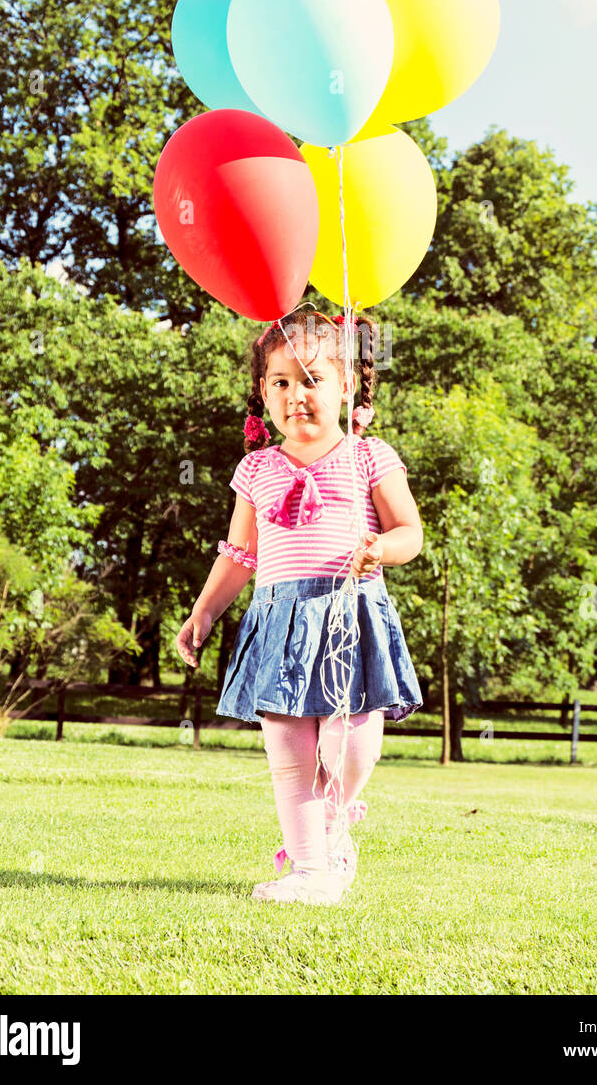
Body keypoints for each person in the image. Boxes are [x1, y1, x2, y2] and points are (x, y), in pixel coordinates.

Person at [175, 307, 424, 906]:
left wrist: (380, 548)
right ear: (264, 391)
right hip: (280, 621)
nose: (297, 396)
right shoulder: (257, 468)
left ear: (347, 386)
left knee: (349, 748)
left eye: (313, 379)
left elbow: (410, 532)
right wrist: (206, 611)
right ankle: (310, 870)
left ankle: (335, 824)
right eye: (282, 382)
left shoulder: (368, 457)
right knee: (288, 750)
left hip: (349, 615)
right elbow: (240, 553)